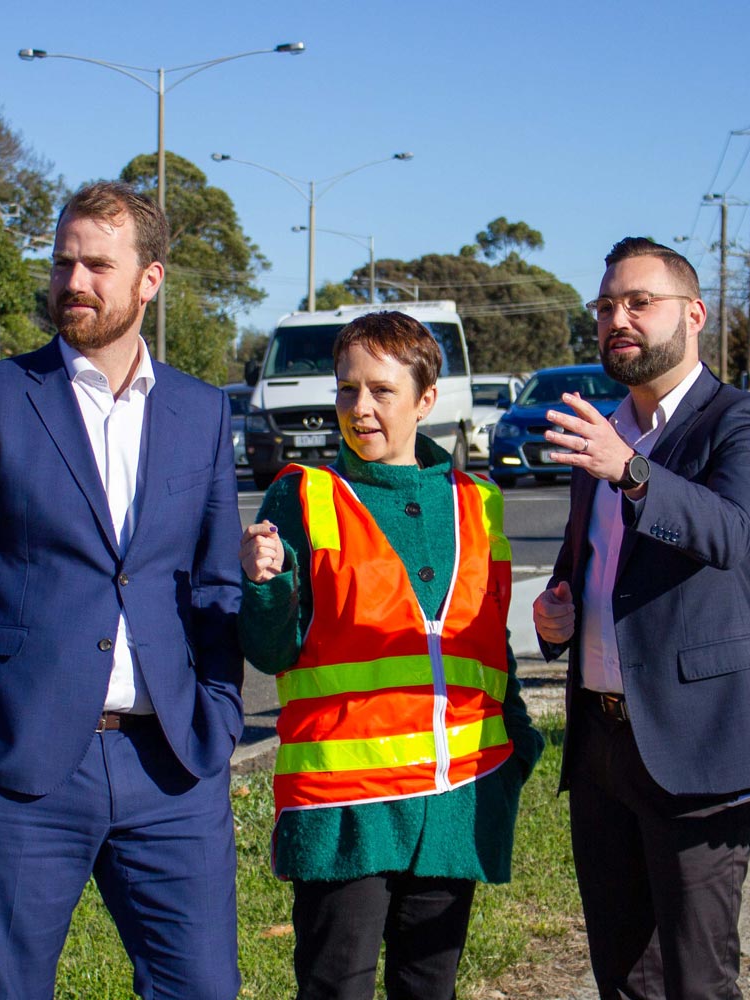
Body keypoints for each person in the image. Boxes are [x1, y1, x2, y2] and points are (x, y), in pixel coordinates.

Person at [0, 181, 244, 1000]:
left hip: (172, 768)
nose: (73, 282)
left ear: (149, 280)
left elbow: (213, 577)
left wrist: (220, 712)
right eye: (63, 262)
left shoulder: (199, 410)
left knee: (202, 989)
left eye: (96, 265)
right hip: (20, 764)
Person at [239, 310, 543, 1000]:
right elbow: (269, 652)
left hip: (456, 797)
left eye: (381, 391)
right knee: (334, 988)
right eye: (347, 390)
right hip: (346, 805)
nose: (360, 408)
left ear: (426, 399)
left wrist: (517, 748)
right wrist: (265, 587)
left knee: (428, 986)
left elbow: (494, 650)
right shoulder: (305, 495)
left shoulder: (480, 503)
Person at [530, 237, 750, 1000]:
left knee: (697, 976)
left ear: (694, 313)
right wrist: (558, 612)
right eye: (608, 305)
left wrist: (630, 468)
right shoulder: (607, 426)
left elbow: (730, 532)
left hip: (699, 744)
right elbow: (586, 564)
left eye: (640, 302)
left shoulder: (744, 422)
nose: (620, 318)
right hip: (604, 747)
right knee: (622, 975)